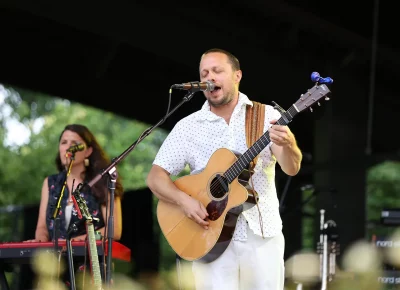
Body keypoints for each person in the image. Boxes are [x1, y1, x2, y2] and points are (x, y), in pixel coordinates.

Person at [146, 48, 303, 290]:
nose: (209, 77)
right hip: (207, 235)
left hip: (262, 234)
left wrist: (289, 144)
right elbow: (156, 177)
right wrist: (183, 201)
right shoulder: (188, 126)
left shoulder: (266, 116)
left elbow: (291, 168)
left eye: (217, 71)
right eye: (204, 72)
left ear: (237, 76)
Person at [25, 124, 124, 285]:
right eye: (64, 142)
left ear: (88, 151)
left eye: (75, 143)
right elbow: (42, 227)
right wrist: (42, 241)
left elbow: (114, 230)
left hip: (93, 267)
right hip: (56, 267)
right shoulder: (51, 183)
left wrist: (76, 241)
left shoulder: (103, 181)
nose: (68, 148)